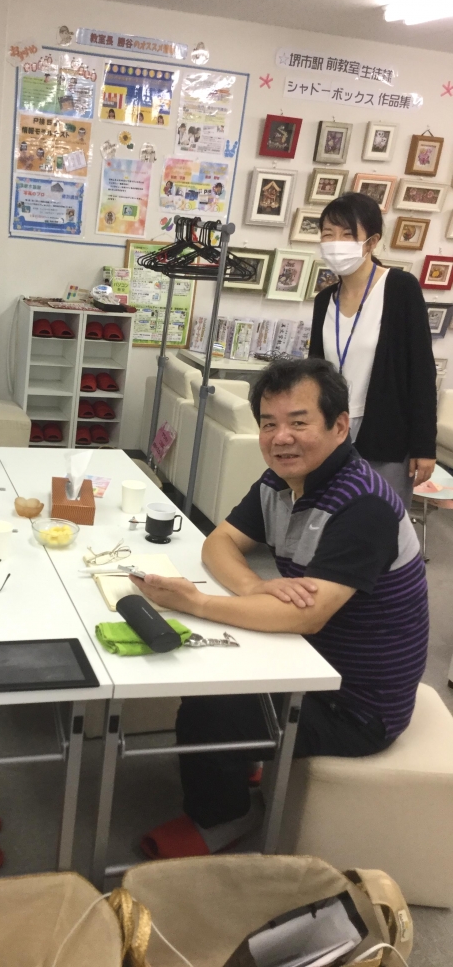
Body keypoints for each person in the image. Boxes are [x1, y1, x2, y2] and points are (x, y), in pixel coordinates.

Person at [133, 358, 428, 859]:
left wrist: (197, 602)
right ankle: (242, 762)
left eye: (298, 422)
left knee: (209, 708)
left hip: (354, 705)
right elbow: (219, 542)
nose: (281, 438)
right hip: (307, 661)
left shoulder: (365, 506)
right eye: (269, 424)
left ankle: (223, 818)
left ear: (339, 426)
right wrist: (253, 588)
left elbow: (305, 615)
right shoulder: (281, 481)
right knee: (205, 665)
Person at [309, 192, 437, 507]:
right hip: (331, 429)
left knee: (379, 517)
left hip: (384, 430)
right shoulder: (325, 300)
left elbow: (421, 370)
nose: (336, 242)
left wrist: (424, 445)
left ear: (372, 241)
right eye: (328, 234)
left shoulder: (400, 288)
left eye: (347, 234)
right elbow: (315, 370)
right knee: (328, 514)